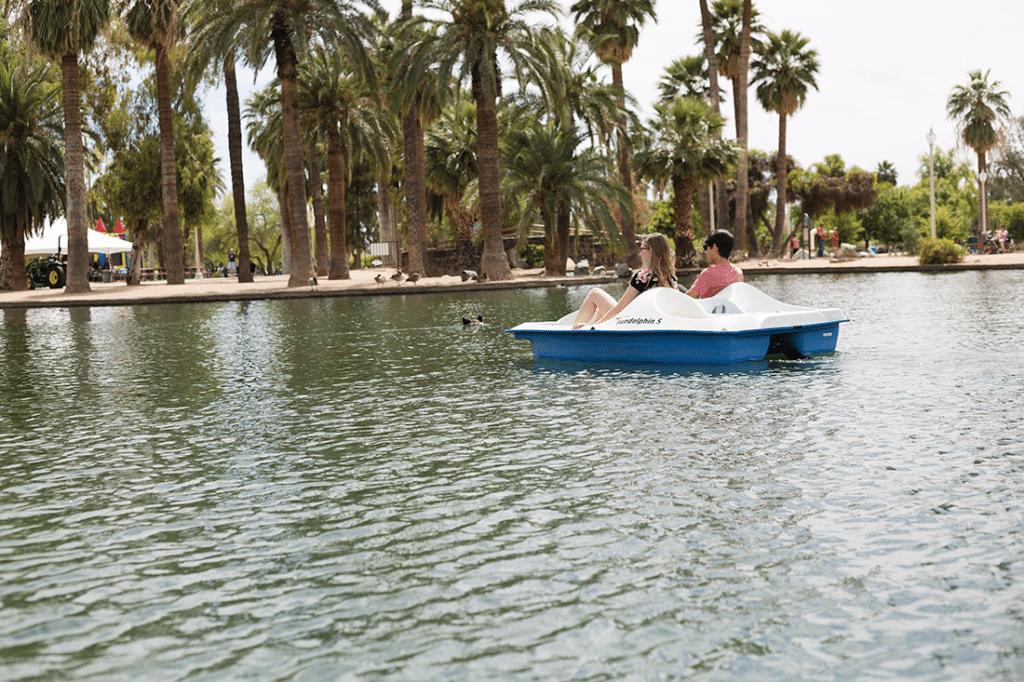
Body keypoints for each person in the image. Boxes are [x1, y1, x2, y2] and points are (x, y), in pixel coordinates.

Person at [571, 233, 677, 329]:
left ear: (651, 250)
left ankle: (575, 335)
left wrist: (595, 327)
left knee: (595, 293)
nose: (639, 253)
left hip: (634, 323)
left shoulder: (643, 277)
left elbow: (620, 308)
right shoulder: (670, 278)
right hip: (654, 323)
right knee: (601, 311)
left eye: (642, 249)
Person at [686, 230, 744, 299]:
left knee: (679, 287)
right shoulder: (738, 272)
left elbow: (688, 298)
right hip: (725, 308)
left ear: (714, 247)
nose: (705, 252)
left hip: (707, 309)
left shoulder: (708, 274)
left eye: (706, 247)